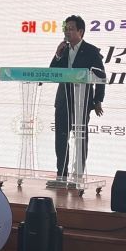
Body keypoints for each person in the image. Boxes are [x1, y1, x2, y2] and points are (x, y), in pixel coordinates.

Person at [50, 15, 105, 181]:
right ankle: (61, 174)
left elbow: (100, 76)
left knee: (80, 138)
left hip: (81, 101)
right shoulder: (63, 50)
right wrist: (57, 55)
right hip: (63, 101)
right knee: (61, 137)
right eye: (65, 29)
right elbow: (52, 73)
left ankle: (78, 175)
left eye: (71, 29)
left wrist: (98, 100)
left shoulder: (91, 51)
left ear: (80, 31)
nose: (67, 32)